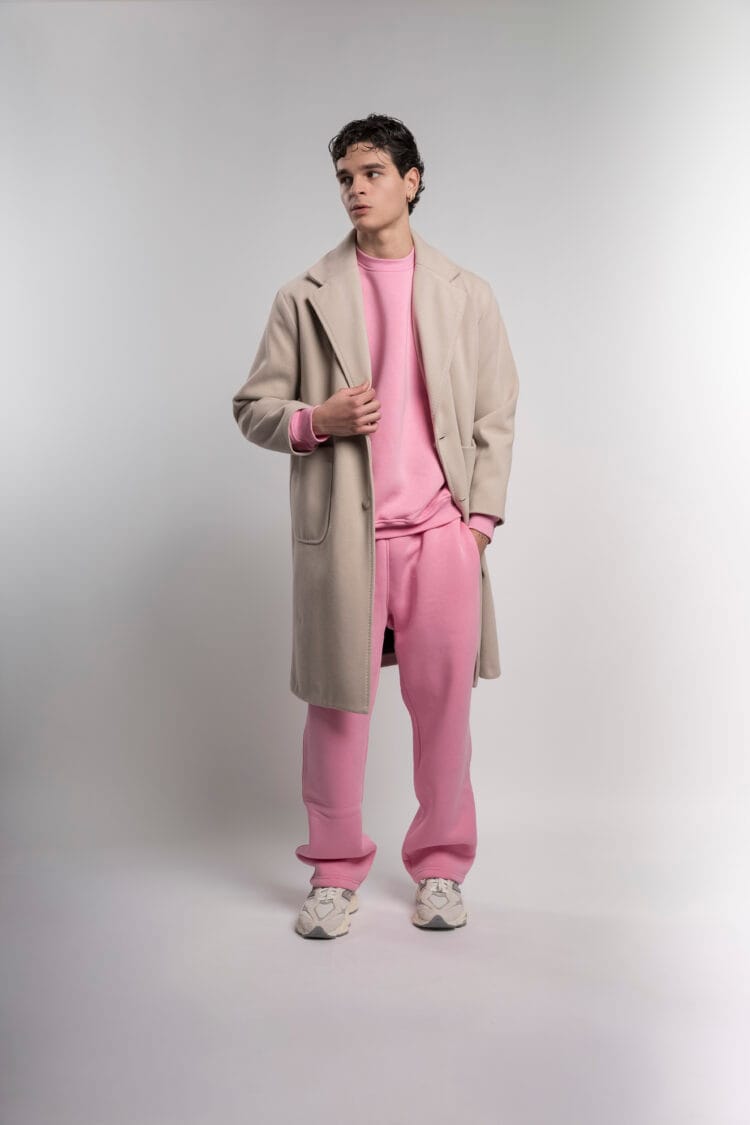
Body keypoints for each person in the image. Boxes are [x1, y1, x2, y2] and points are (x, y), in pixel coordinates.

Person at [232, 113, 519, 939]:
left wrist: (477, 526)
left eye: (371, 174)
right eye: (344, 179)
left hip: (440, 539)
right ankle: (333, 873)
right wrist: (314, 420)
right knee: (336, 713)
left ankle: (440, 868)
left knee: (445, 714)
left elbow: (497, 411)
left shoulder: (468, 293)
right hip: (346, 542)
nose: (355, 191)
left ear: (411, 180)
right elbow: (252, 405)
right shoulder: (304, 295)